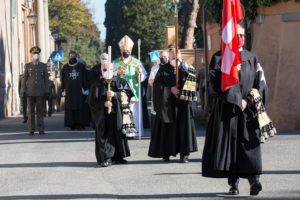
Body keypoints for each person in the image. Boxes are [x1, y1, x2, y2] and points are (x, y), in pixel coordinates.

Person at [201, 24, 267, 196]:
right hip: (227, 110)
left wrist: (248, 100)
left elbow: (260, 83)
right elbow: (215, 84)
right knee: (231, 146)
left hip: (248, 110)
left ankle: (254, 181)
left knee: (250, 144)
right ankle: (234, 183)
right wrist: (235, 98)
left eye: (243, 36)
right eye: (237, 36)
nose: (241, 39)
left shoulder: (252, 58)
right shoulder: (219, 58)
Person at [148, 46, 198, 163]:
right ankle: (166, 152)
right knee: (167, 128)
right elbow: (157, 86)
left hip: (182, 104)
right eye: (173, 56)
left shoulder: (186, 68)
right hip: (167, 104)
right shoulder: (163, 69)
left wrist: (183, 65)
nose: (175, 57)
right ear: (169, 57)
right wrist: (170, 89)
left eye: (177, 55)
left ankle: (184, 154)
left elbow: (194, 78)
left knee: (183, 128)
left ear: (180, 56)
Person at [87, 62, 134, 167]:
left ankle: (118, 156)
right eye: (104, 70)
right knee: (104, 134)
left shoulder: (120, 81)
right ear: (101, 71)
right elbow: (91, 102)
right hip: (103, 116)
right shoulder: (97, 84)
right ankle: (106, 157)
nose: (107, 72)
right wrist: (103, 104)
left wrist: (116, 94)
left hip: (117, 114)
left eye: (110, 69)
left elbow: (128, 94)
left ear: (113, 70)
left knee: (118, 132)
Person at [113, 35, 147, 138]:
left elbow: (144, 76)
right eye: (124, 50)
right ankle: (123, 132)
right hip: (121, 91)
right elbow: (110, 75)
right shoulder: (115, 62)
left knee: (134, 112)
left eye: (127, 50)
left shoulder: (137, 62)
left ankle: (135, 132)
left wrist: (140, 73)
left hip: (134, 91)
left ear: (131, 51)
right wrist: (117, 72)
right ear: (121, 51)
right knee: (122, 111)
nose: (125, 51)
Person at [21, 46, 49, 135]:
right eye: (34, 54)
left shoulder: (43, 66)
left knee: (40, 111)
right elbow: (24, 79)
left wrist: (47, 91)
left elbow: (46, 79)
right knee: (30, 112)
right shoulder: (27, 66)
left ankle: (41, 129)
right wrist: (23, 91)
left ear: (38, 55)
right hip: (30, 92)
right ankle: (31, 129)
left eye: (37, 54)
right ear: (31, 56)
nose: (35, 56)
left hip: (40, 92)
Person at [61, 51, 88, 130]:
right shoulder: (65, 67)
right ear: (69, 57)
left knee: (80, 107)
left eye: (73, 56)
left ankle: (80, 124)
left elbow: (85, 78)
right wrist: (63, 89)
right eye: (71, 56)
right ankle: (71, 124)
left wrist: (85, 88)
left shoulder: (81, 66)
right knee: (70, 108)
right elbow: (63, 79)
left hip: (79, 91)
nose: (72, 58)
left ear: (76, 57)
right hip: (69, 92)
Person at [148, 51, 168, 134]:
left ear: (168, 58)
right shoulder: (155, 68)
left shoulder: (171, 67)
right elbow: (150, 81)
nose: (163, 58)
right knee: (155, 112)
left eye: (165, 56)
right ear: (159, 58)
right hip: (157, 94)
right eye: (161, 56)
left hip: (167, 94)